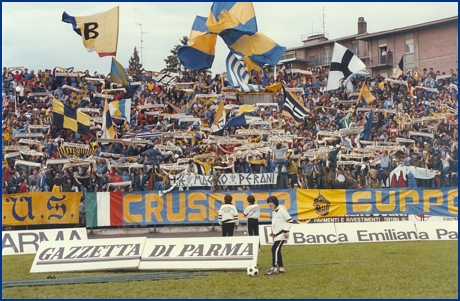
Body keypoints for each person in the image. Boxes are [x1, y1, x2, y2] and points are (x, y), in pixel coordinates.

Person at [265, 195, 293, 275]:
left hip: (282, 234)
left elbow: (290, 220)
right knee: (277, 250)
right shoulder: (274, 211)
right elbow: (277, 222)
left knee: (274, 249)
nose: (270, 204)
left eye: (271, 202)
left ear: (275, 202)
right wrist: (273, 232)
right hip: (277, 234)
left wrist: (285, 231)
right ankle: (281, 268)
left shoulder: (281, 210)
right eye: (269, 202)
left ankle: (273, 268)